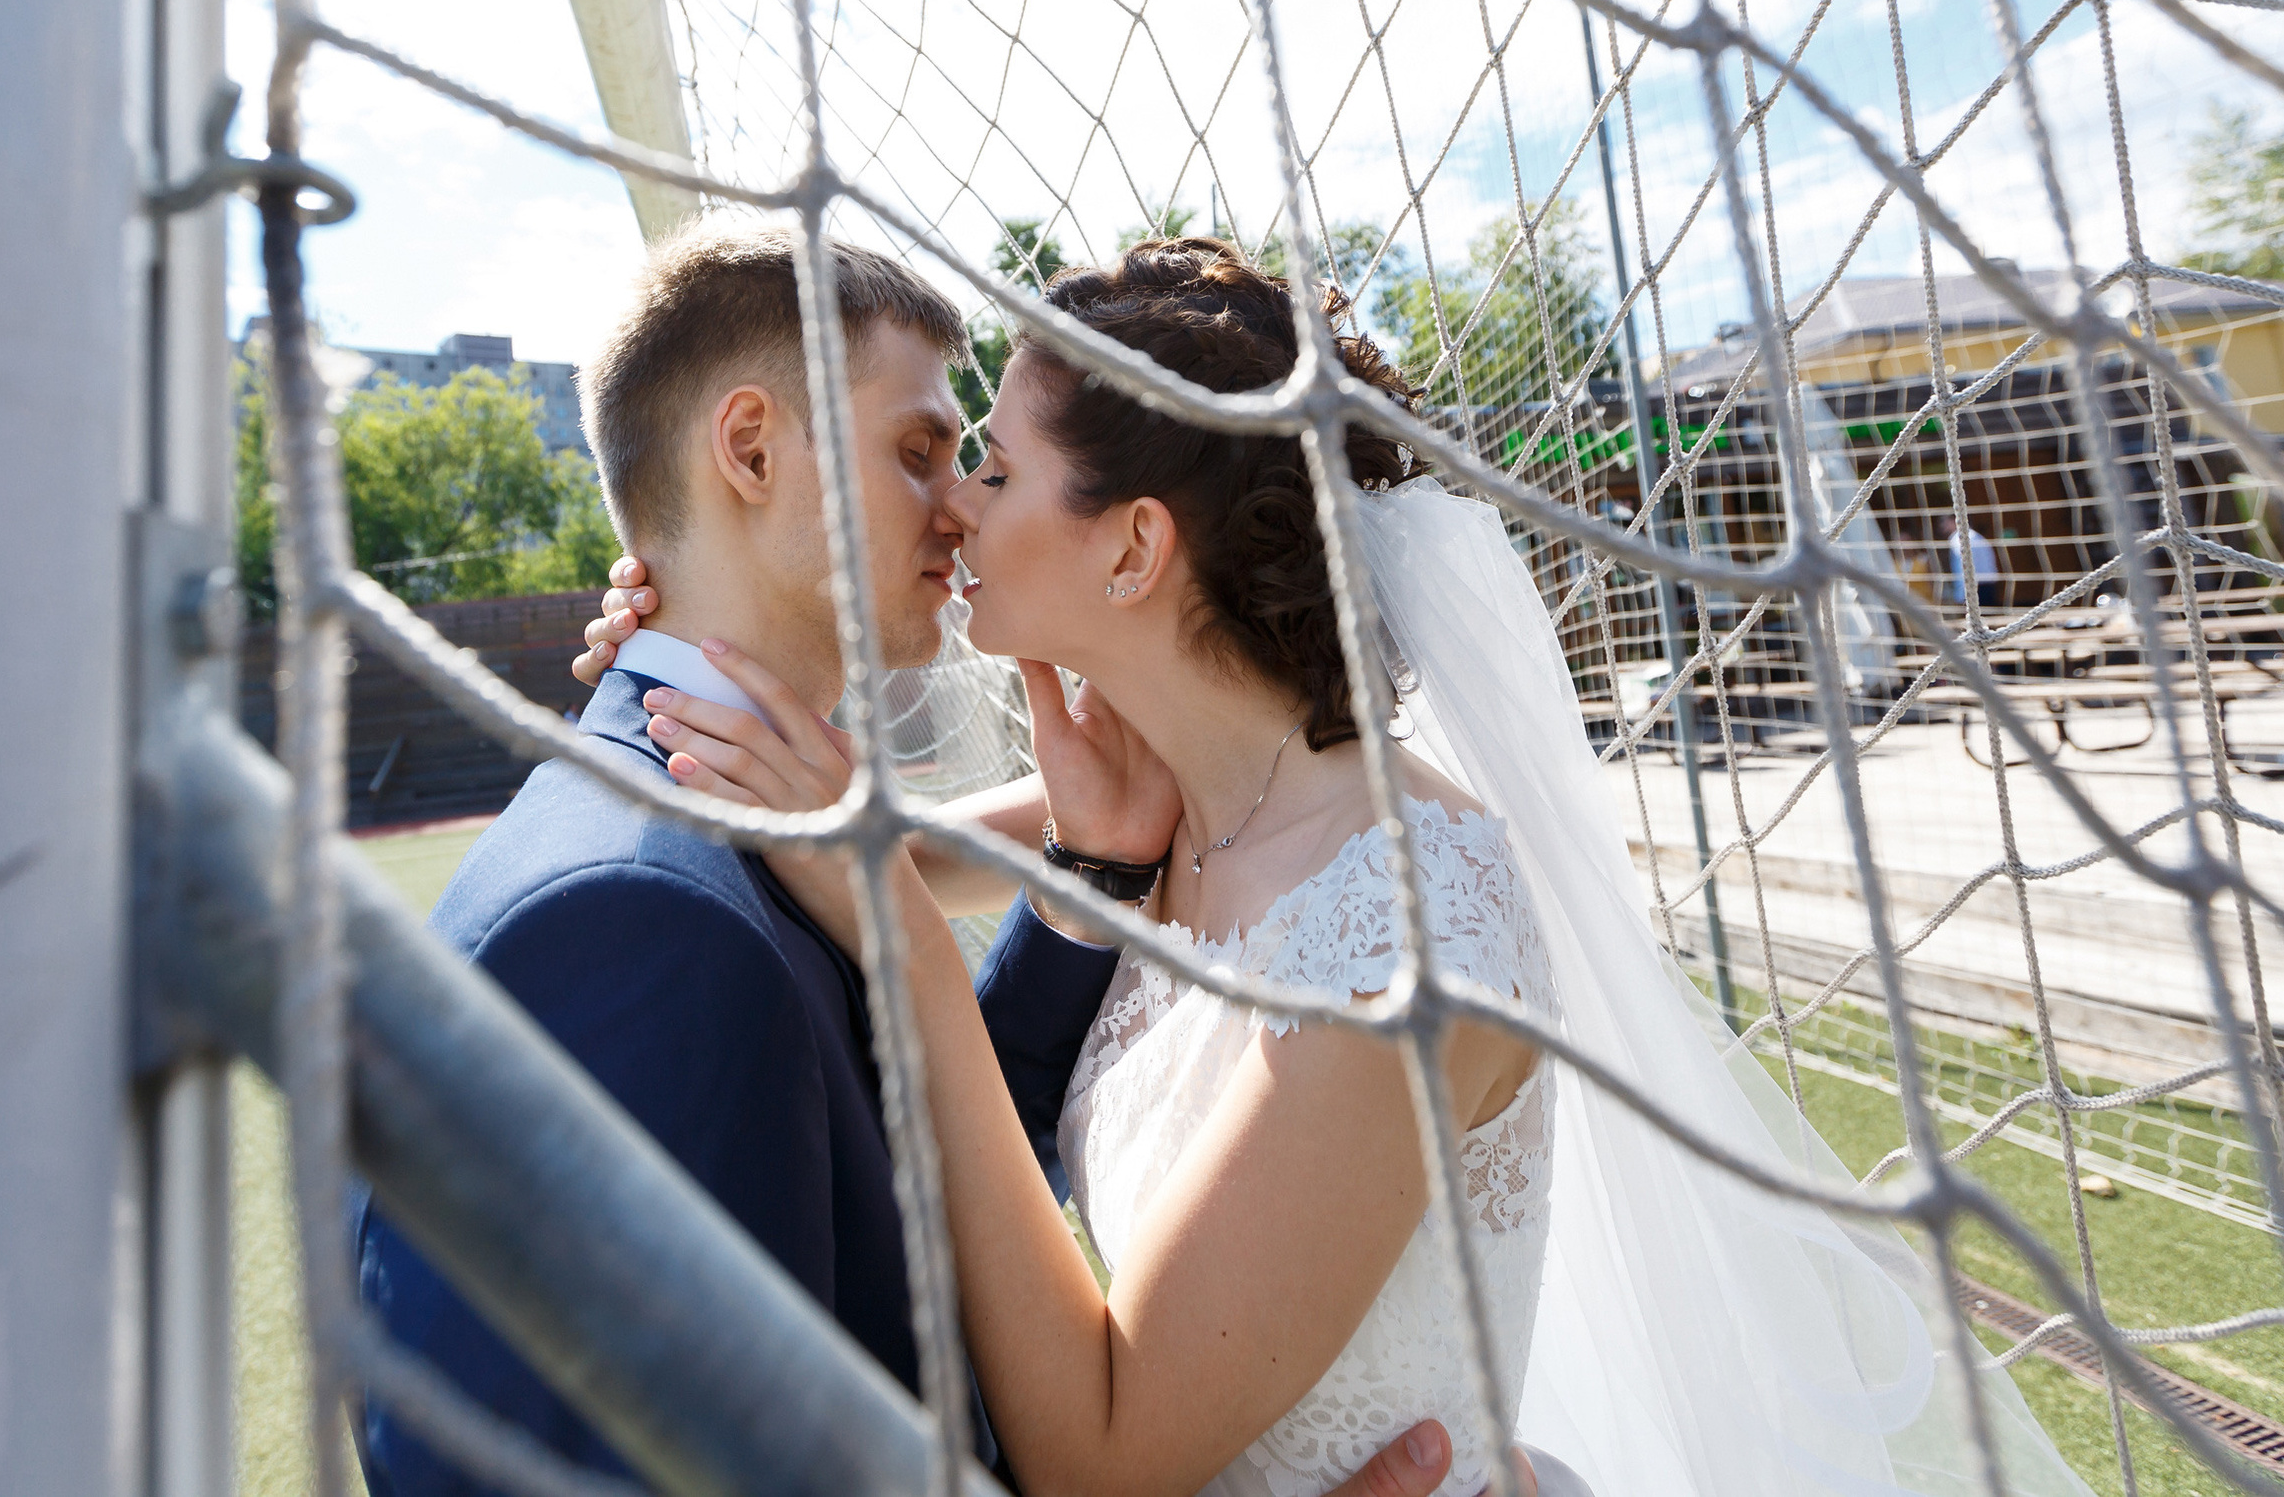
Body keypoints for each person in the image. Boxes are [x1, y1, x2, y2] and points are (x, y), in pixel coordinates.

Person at [591, 238, 2096, 1497]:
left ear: (1131, 547)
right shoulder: (1176, 805)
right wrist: (681, 641)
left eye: (987, 463)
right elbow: (844, 822)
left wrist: (915, 950)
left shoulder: (1408, 934)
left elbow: (1100, 1449)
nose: (956, 507)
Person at [362, 216, 1470, 1497]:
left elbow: (891, 1189)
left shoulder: (779, 826)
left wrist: (1091, 869)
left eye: (983, 464)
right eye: (922, 451)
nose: (959, 507)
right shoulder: (635, 914)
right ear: (750, 448)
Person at [1938, 514, 2003, 614]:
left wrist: (1960, 595)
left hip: (1976, 587)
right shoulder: (1975, 536)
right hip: (1987, 585)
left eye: (1945, 522)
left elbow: (1962, 566)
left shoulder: (1960, 539)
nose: (1942, 526)